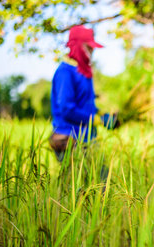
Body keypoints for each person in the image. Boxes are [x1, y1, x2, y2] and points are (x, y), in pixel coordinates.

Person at [49, 25, 119, 161]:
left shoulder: (83, 72)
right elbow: (66, 109)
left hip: (88, 139)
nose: (92, 51)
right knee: (78, 181)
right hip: (69, 140)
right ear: (77, 46)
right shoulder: (65, 73)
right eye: (88, 47)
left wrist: (103, 116)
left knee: (103, 179)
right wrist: (96, 120)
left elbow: (85, 105)